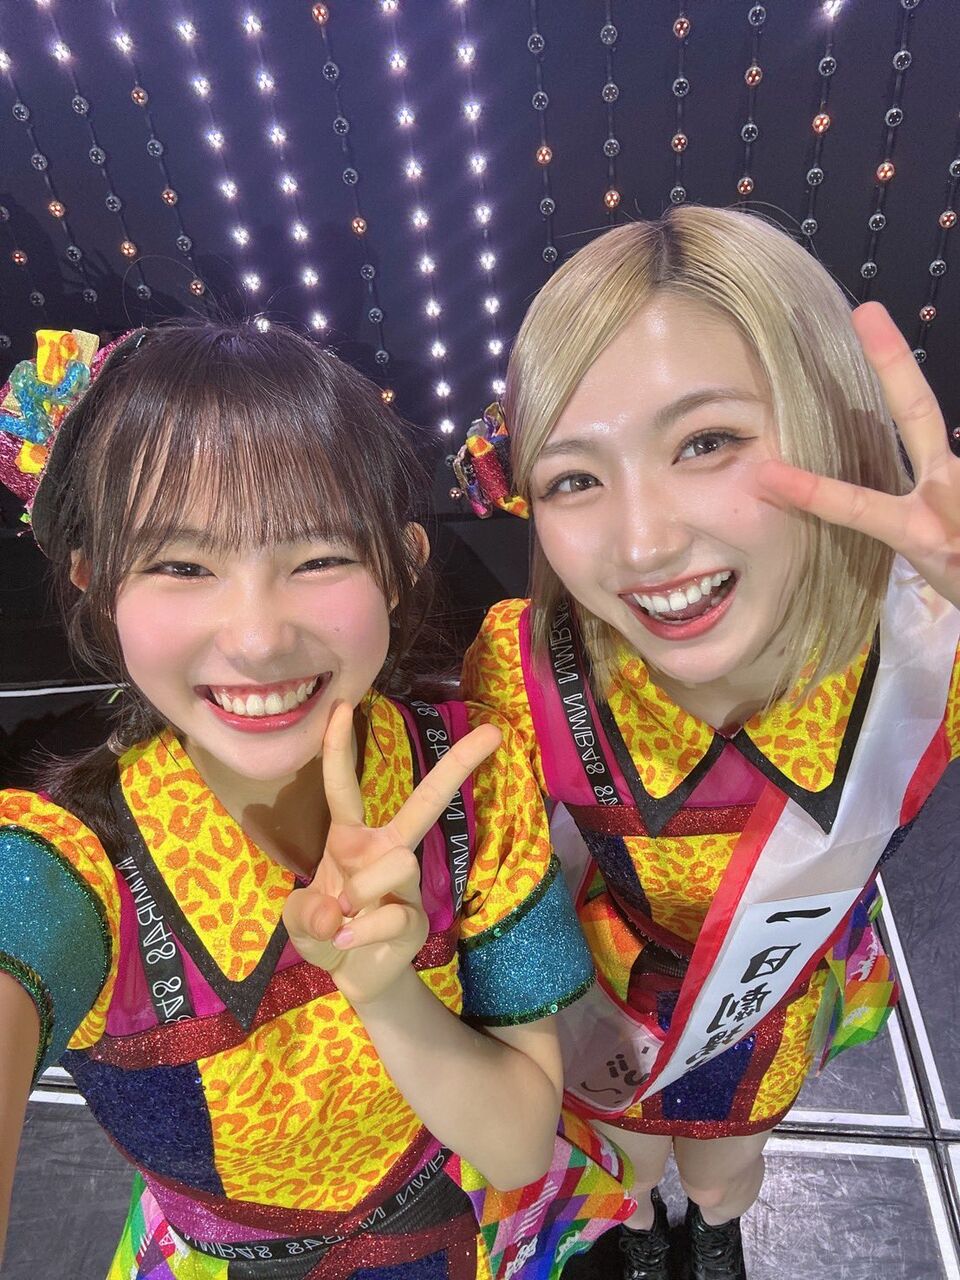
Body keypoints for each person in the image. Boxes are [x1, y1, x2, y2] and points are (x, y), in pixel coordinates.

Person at [0, 322, 633, 1278]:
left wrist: (386, 991)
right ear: (95, 580)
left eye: (319, 558)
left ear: (401, 563)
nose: (257, 638)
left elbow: (514, 1149)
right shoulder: (66, 868)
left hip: (453, 1235)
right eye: (181, 566)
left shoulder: (472, 780)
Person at [458, 204, 960, 1280]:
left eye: (707, 442)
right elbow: (504, 887)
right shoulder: (520, 664)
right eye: (575, 476)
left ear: (827, 422)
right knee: (629, 1171)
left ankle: (718, 1232)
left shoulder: (932, 647)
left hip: (767, 1003)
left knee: (729, 1172)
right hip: (607, 1008)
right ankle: (643, 1235)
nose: (645, 541)